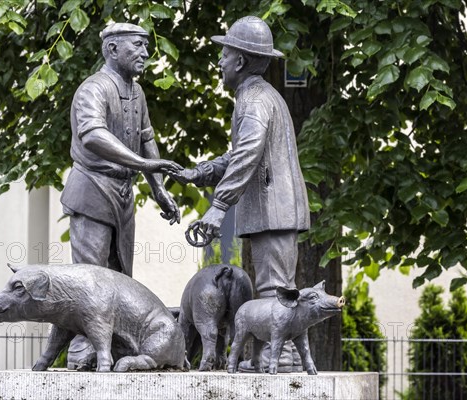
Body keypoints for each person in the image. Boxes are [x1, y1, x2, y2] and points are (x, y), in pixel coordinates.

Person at [170, 16, 310, 372]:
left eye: (225, 54)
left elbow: (248, 152)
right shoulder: (256, 97)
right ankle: (269, 358)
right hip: (272, 208)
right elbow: (239, 154)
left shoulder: (256, 99)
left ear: (241, 61)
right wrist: (199, 173)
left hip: (273, 209)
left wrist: (219, 206)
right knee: (271, 289)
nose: (219, 62)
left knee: (277, 290)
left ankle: (286, 362)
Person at [60, 22, 181, 370]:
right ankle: (84, 345)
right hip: (92, 190)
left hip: (123, 193)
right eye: (137, 46)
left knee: (120, 274)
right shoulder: (93, 89)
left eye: (146, 46)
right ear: (112, 49)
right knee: (91, 276)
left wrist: (158, 187)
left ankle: (115, 343)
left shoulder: (137, 93)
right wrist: (144, 163)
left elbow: (146, 137)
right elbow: (93, 135)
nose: (145, 53)